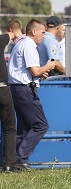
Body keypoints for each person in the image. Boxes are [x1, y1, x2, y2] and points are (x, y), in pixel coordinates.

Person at [8, 19, 61, 167]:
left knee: (24, 127)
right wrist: (49, 66)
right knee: (41, 125)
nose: (44, 36)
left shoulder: (21, 44)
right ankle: (20, 157)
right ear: (34, 31)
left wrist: (39, 73)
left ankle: (14, 161)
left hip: (18, 88)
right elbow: (36, 70)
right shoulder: (28, 46)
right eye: (42, 32)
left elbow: (31, 72)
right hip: (24, 89)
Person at [0, 29, 18, 172]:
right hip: (2, 89)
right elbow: (12, 34)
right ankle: (9, 165)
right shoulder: (1, 41)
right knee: (9, 129)